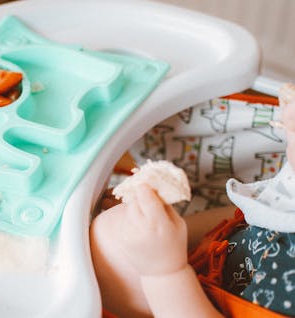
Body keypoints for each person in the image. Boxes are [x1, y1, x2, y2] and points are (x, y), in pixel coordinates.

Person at [90, 84, 295, 317]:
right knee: (113, 232)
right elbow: (246, 218)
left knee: (108, 245)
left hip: (183, 304)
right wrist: (164, 228)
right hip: (212, 265)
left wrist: (164, 272)